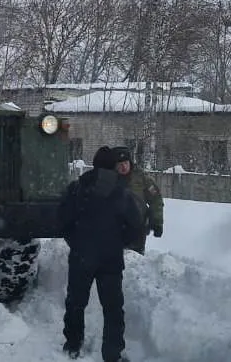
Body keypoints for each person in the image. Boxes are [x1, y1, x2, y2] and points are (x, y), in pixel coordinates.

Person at [58, 145, 144, 362]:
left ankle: (72, 346)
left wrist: (76, 242)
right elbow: (136, 226)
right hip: (111, 259)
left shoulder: (76, 188)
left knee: (76, 303)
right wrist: (118, 243)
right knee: (113, 308)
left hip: (81, 257)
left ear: (94, 164)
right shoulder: (122, 193)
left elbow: (62, 221)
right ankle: (112, 354)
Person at [111, 146, 164, 254]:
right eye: (120, 164)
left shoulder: (141, 178)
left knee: (135, 260)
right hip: (113, 228)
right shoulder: (107, 179)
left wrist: (157, 222)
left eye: (126, 163)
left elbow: (156, 199)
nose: (124, 167)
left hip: (137, 228)